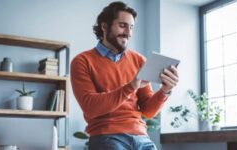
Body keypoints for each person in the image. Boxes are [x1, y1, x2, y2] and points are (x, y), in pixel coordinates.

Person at [71, 1, 179, 150]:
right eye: (122, 25)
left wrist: (165, 91)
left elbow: (147, 111)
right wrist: (130, 87)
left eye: (131, 27)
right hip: (107, 135)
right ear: (104, 26)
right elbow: (91, 107)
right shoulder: (82, 61)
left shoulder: (139, 60)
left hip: (141, 137)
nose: (128, 33)